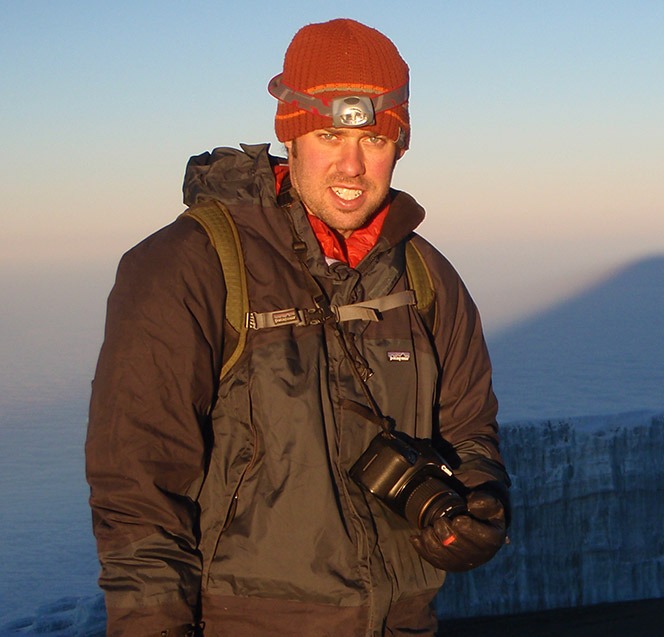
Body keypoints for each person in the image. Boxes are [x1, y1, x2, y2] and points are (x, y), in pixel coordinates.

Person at [85, 18, 511, 636]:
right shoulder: (188, 267)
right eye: (329, 134)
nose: (352, 165)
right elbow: (139, 494)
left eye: (374, 140)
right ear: (290, 133)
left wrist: (479, 504)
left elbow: (470, 429)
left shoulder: (424, 279)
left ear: (401, 143)